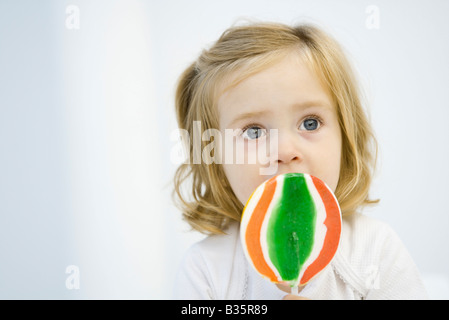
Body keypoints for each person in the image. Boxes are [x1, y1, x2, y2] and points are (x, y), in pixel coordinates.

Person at [172, 22, 427, 299]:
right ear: (216, 161)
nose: (284, 151)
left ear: (346, 138)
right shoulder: (206, 271)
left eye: (310, 123)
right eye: (254, 131)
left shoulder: (376, 251)